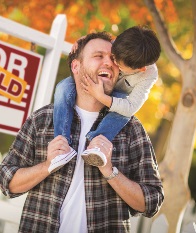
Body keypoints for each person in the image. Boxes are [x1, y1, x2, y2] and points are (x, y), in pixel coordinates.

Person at [0, 31, 164, 232]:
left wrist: (110, 171)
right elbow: (6, 181)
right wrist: (47, 166)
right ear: (76, 66)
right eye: (98, 56)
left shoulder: (131, 129)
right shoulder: (42, 120)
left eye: (112, 59)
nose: (110, 63)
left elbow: (152, 202)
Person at [52, 25, 161, 172]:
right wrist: (83, 41)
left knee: (123, 113)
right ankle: (61, 142)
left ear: (140, 69)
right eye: (113, 55)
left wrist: (101, 96)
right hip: (94, 82)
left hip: (117, 98)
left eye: (118, 64)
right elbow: (98, 42)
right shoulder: (120, 43)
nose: (111, 63)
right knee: (62, 88)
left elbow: (131, 107)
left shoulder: (148, 74)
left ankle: (97, 143)